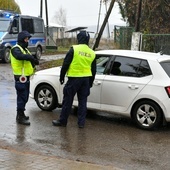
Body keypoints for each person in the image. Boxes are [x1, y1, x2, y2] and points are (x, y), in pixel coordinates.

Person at [52, 31, 96, 128]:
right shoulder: (92, 53)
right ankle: (81, 123)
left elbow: (65, 64)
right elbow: (93, 70)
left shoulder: (74, 49)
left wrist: (62, 76)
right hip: (86, 80)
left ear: (79, 39)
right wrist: (90, 82)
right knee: (83, 102)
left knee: (68, 100)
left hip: (74, 79)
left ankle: (63, 121)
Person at [10, 31, 39, 125]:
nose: (27, 41)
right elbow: (19, 56)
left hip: (26, 77)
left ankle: (21, 114)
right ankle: (20, 117)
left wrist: (34, 61)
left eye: (28, 39)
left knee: (25, 97)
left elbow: (29, 59)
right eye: (26, 39)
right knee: (22, 97)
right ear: (22, 39)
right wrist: (30, 57)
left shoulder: (25, 50)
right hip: (20, 78)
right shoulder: (15, 49)